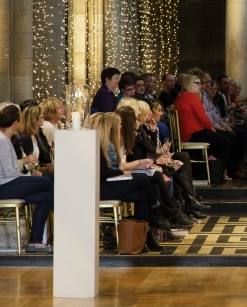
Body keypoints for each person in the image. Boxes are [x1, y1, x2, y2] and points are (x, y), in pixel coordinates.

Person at [89, 113, 174, 252]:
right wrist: (122, 171)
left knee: (141, 195)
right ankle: (158, 207)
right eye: (118, 125)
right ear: (110, 127)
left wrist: (122, 171)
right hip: (102, 188)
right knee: (141, 178)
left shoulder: (108, 143)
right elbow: (105, 172)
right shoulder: (98, 145)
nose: (120, 127)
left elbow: (114, 169)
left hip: (111, 183)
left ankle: (145, 239)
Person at [0, 105, 54, 253]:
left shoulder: (5, 139)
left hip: (6, 183)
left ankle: (35, 242)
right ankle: (66, 223)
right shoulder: (1, 140)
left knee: (46, 197)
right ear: (16, 122)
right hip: (0, 187)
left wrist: (28, 178)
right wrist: (28, 179)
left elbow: (12, 169)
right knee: (47, 182)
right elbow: (10, 172)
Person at [174, 74, 238, 179]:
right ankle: (217, 174)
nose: (200, 86)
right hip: (193, 133)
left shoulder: (181, 95)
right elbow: (203, 118)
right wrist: (212, 129)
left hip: (189, 133)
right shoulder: (191, 96)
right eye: (198, 83)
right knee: (226, 142)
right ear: (190, 84)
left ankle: (214, 170)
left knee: (226, 137)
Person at [17, 106, 54, 177]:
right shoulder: (26, 138)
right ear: (35, 120)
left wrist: (46, 167)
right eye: (42, 117)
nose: (44, 118)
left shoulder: (34, 135)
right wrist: (44, 169)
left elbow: (35, 164)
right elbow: (28, 165)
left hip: (35, 171)